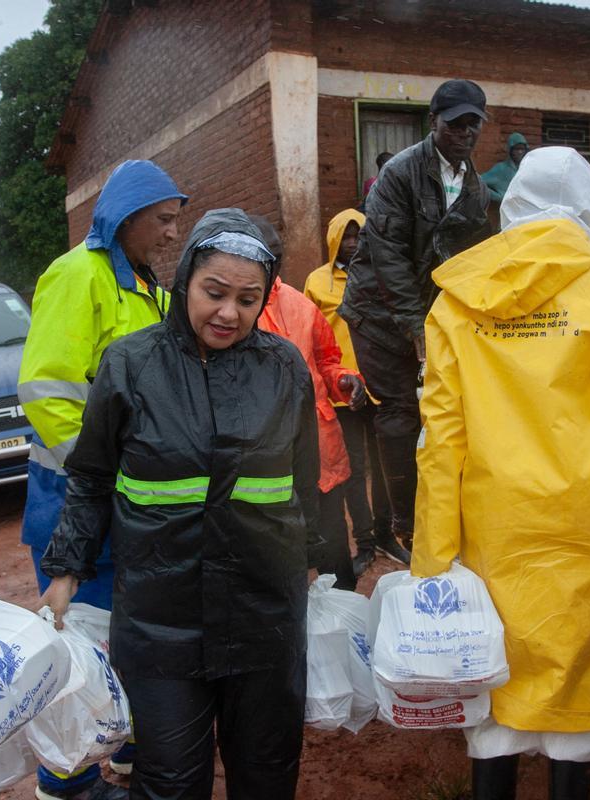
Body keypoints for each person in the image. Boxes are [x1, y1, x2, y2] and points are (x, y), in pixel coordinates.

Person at [412, 146, 590, 800]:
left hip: (492, 535)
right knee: (577, 690)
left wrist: (432, 565)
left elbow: (440, 443)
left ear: (512, 206)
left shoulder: (457, 303)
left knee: (496, 682)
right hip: (585, 534)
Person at [39, 209, 320, 800]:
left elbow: (302, 479)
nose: (228, 313)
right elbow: (91, 476)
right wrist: (66, 569)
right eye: (214, 293)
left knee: (267, 772)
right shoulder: (131, 363)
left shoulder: (284, 367)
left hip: (264, 615)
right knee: (169, 781)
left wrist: (315, 561)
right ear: (186, 279)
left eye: (248, 299)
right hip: (161, 618)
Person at [18, 158, 186, 800]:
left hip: (131, 503)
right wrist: (103, 476)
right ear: (128, 216)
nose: (173, 235)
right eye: (165, 221)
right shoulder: (77, 276)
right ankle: (69, 780)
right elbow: (47, 391)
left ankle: (129, 748)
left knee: (130, 632)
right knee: (78, 647)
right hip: (73, 503)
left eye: (177, 223)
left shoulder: (148, 291)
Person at [339, 78, 492, 555]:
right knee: (400, 413)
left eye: (474, 124)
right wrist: (415, 328)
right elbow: (387, 258)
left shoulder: (474, 188)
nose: (466, 132)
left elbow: (470, 260)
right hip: (377, 315)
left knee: (441, 410)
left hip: (424, 316)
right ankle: (402, 525)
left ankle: (434, 514)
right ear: (434, 122)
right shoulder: (400, 174)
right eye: (456, 123)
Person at [249, 215, 364, 591]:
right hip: (268, 464)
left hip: (323, 453)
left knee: (334, 548)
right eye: (267, 257)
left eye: (278, 257)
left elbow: (328, 361)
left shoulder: (300, 306)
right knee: (282, 558)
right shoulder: (236, 314)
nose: (275, 266)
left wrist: (345, 381)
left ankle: (347, 631)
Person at [305, 209, 407, 574]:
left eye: (360, 235)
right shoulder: (316, 282)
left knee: (384, 465)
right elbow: (310, 336)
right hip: (342, 392)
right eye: (346, 236)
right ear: (334, 240)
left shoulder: (380, 277)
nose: (353, 243)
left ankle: (386, 534)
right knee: (353, 468)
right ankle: (363, 541)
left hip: (380, 385)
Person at [481, 132, 529, 202]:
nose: (520, 152)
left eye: (522, 149)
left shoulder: (527, 168)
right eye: (517, 149)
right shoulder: (501, 168)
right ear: (510, 150)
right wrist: (498, 197)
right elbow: (478, 182)